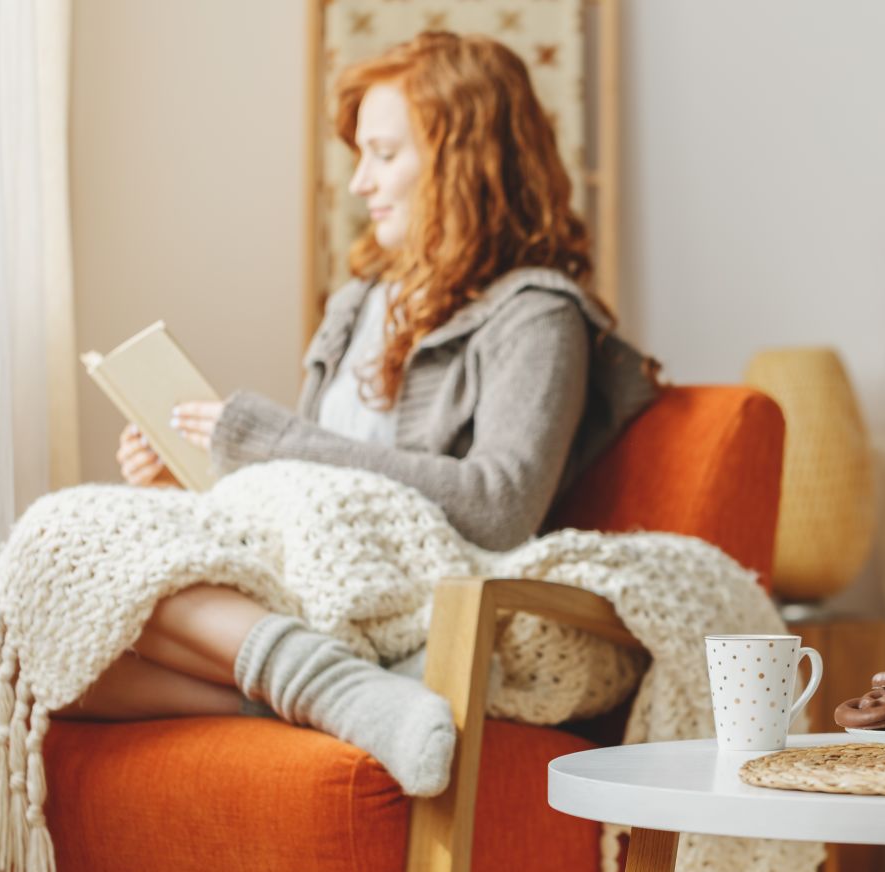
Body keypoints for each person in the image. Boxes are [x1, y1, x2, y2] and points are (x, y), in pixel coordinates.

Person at [60, 32, 657, 798]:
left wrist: (273, 440)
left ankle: (328, 683)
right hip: (304, 571)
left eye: (382, 154)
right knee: (48, 646)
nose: (360, 184)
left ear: (458, 159)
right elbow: (301, 491)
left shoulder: (535, 314)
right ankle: (337, 696)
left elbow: (502, 504)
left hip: (398, 592)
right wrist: (189, 479)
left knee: (77, 541)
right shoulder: (355, 307)